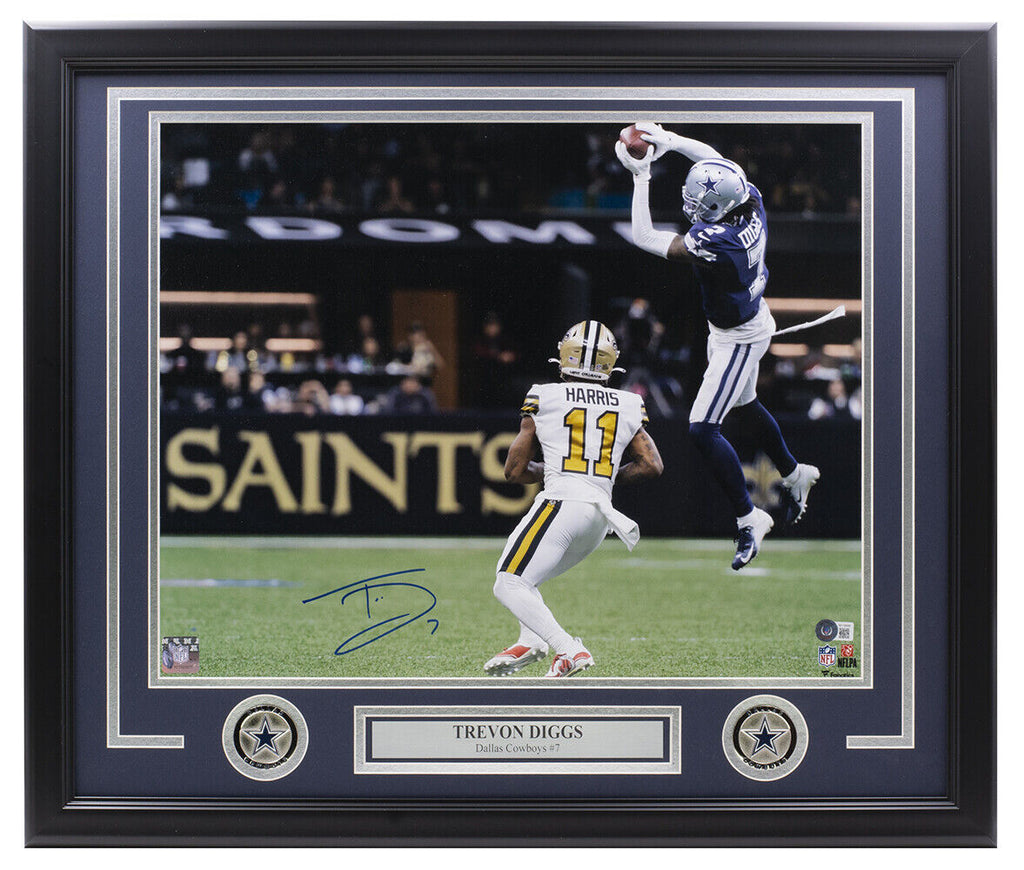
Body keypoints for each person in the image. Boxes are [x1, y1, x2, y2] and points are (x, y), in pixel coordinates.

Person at [615, 121, 819, 570]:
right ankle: (794, 473)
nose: (691, 205)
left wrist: (641, 176)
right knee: (745, 404)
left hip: (738, 337)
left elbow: (644, 236)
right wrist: (671, 141)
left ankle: (750, 518)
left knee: (702, 428)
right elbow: (712, 158)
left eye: (699, 202)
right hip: (743, 321)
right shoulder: (749, 199)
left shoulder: (717, 243)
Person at [484, 320, 663, 678]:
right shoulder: (629, 402)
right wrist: (600, 479)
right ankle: (531, 640)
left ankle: (568, 649)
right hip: (600, 517)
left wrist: (553, 471)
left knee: (508, 581)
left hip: (562, 503)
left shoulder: (544, 395)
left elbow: (514, 471)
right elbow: (652, 465)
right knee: (527, 580)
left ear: (564, 356)